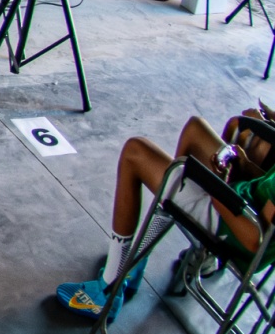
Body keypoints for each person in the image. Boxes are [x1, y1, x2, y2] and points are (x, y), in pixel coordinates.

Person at [54, 112, 275, 317]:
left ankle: (108, 289)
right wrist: (245, 165)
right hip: (240, 199)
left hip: (229, 222)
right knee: (195, 129)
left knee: (135, 152)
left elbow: (255, 240)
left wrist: (218, 187)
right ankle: (138, 257)